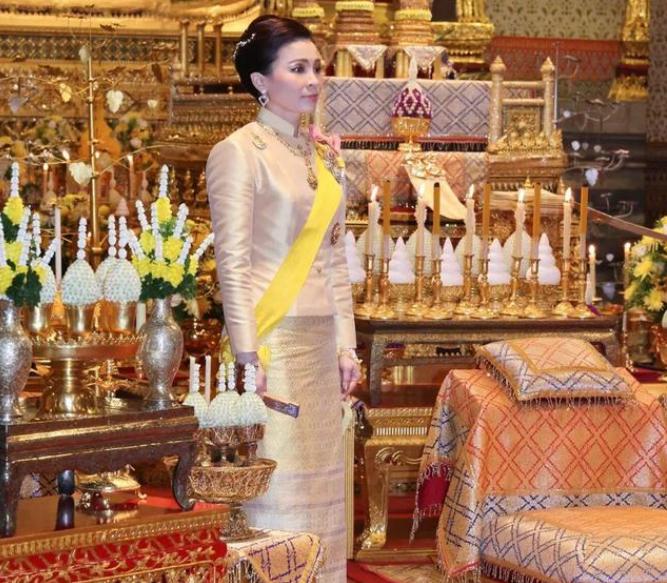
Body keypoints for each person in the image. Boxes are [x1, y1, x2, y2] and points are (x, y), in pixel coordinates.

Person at [206, 15, 361, 582]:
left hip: (321, 348)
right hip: (272, 343)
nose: (313, 80)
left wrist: (347, 346)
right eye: (297, 68)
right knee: (277, 492)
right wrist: (248, 358)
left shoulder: (322, 157)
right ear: (260, 81)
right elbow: (233, 264)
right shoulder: (239, 152)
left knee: (323, 494)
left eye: (317, 67)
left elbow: (335, 260)